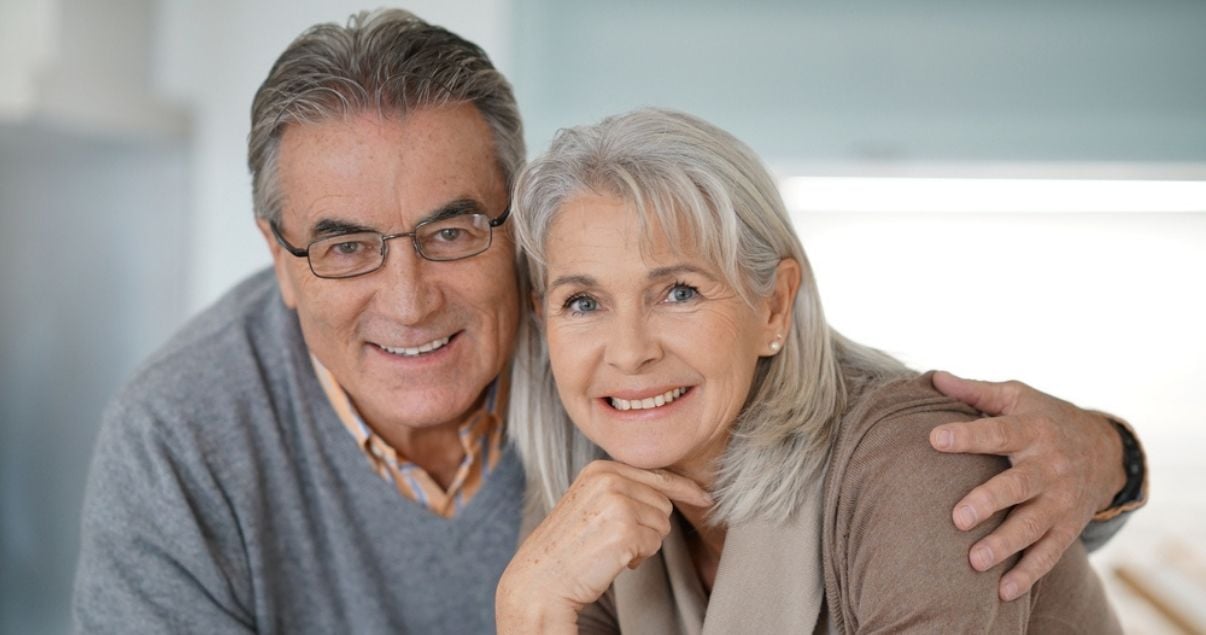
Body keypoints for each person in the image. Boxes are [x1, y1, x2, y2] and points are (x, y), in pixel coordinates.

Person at [72, 9, 1144, 633]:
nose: (407, 298)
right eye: (347, 245)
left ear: (514, 223)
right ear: (279, 253)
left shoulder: (590, 350)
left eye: (452, 231)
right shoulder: (183, 435)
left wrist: (1110, 456)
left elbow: (937, 481)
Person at [496, 108, 1132, 632]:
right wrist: (527, 609)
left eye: (679, 291)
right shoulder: (583, 503)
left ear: (774, 306)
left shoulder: (915, 468)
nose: (629, 351)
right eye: (583, 302)